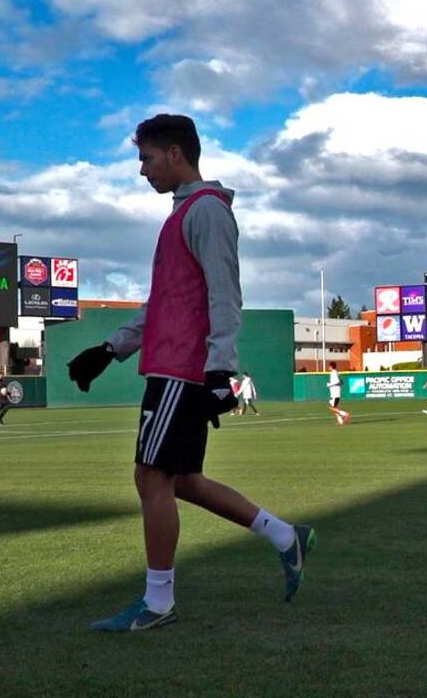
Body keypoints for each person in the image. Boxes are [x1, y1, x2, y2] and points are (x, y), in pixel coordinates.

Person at [66, 114, 315, 633]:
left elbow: (225, 293)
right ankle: (285, 537)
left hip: (183, 369)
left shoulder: (206, 212)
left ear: (176, 154)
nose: (142, 170)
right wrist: (110, 348)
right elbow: (166, 304)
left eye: (147, 159)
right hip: (173, 363)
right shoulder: (182, 214)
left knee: (150, 477)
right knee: (180, 480)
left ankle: (159, 604)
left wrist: (220, 369)